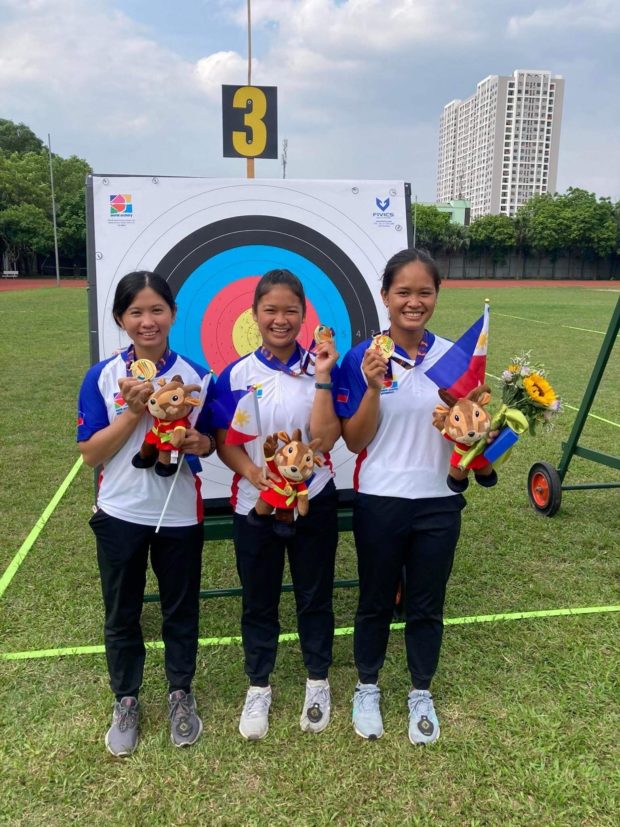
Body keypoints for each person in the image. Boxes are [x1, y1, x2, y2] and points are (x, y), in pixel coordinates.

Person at [77, 271, 216, 757]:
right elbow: (90, 454)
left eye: (157, 309)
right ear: (120, 319)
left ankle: (181, 692)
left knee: (181, 609)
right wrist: (133, 413)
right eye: (136, 312)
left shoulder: (199, 375)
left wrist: (202, 441)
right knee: (123, 612)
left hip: (178, 513)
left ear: (173, 314)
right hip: (119, 512)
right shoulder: (102, 376)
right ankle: (127, 699)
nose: (147, 321)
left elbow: (211, 440)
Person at [336, 248, 466, 745]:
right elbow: (354, 440)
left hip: (439, 500)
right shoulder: (362, 357)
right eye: (403, 292)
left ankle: (420, 692)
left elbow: (469, 429)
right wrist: (371, 386)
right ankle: (366, 687)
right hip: (380, 499)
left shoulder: (455, 356)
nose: (414, 302)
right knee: (373, 601)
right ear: (385, 297)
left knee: (427, 603)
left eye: (424, 292)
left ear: (436, 295)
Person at [213, 269, 341, 740]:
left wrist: (323, 378)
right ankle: (259, 686)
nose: (281, 319)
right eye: (271, 310)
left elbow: (327, 440)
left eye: (291, 311)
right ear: (254, 315)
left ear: (304, 316)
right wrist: (252, 473)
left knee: (314, 595)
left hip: (313, 500)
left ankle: (317, 681)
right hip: (256, 506)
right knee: (259, 599)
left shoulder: (322, 368)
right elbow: (225, 441)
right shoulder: (237, 375)